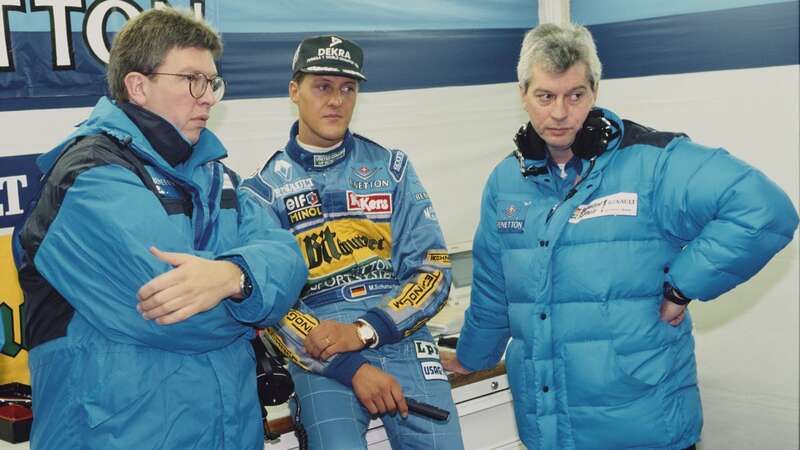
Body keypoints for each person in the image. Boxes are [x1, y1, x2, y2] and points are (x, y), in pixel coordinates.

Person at [442, 23, 799, 450]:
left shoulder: (653, 162)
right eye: (545, 96)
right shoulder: (505, 181)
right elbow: (492, 290)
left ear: (594, 91)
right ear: (522, 94)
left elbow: (764, 210)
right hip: (551, 427)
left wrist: (682, 286)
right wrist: (471, 358)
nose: (560, 112)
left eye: (575, 95)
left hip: (646, 423)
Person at [15, 8, 307, 449]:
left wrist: (234, 277)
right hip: (122, 436)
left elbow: (290, 260)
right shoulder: (88, 176)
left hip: (230, 432)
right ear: (138, 86)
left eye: (212, 82)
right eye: (192, 79)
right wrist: (255, 301)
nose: (208, 97)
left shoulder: (215, 176)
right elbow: (174, 317)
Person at [241, 35, 464, 450]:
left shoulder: (391, 168)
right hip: (322, 351)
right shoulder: (262, 191)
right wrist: (350, 364)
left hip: (399, 331)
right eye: (322, 86)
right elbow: (271, 304)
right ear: (294, 91)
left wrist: (364, 331)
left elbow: (433, 269)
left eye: (348, 88)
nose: (336, 101)